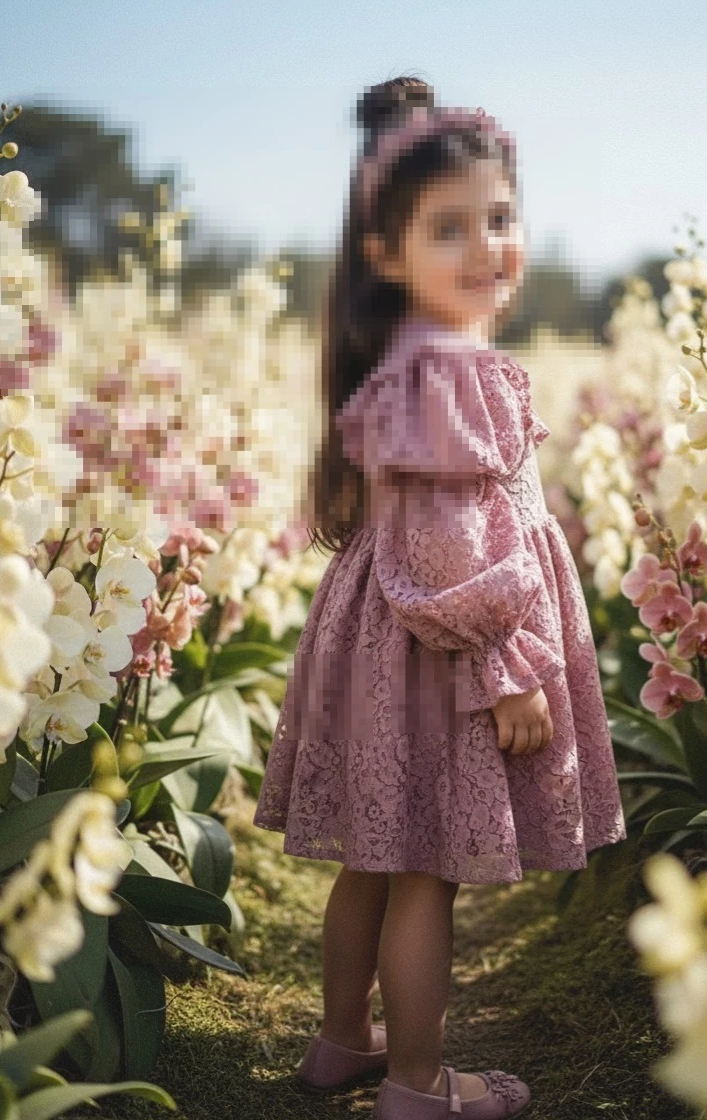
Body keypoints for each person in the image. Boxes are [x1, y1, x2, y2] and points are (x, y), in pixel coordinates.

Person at [252, 74, 628, 1119]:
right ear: (387, 251)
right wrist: (510, 669)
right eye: (449, 229)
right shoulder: (451, 373)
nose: (486, 249)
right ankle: (421, 1084)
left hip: (391, 636)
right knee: (424, 868)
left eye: (500, 220)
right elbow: (448, 554)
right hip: (445, 651)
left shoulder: (402, 358)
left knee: (376, 855)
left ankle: (342, 1044)